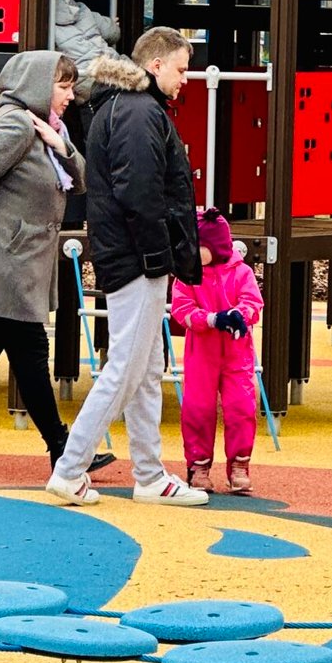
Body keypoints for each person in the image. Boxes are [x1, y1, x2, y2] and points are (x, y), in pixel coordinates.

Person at [47, 26, 208, 507]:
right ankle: (70, 469)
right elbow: (140, 194)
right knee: (127, 368)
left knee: (145, 366)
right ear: (155, 65)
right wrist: (161, 256)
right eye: (181, 69)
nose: (185, 79)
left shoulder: (122, 106)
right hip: (137, 258)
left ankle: (149, 474)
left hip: (125, 253)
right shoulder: (140, 112)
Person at [0, 50, 108, 474]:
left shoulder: (45, 128)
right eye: (63, 86)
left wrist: (60, 144)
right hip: (5, 263)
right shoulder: (15, 124)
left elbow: (82, 180)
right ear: (38, 85)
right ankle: (62, 448)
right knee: (30, 351)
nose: (70, 96)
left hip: (12, 261)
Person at [170, 208, 263, 494]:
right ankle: (198, 465)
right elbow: (181, 310)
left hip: (237, 352)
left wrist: (240, 315)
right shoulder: (188, 276)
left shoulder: (241, 272)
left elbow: (253, 302)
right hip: (202, 352)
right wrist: (211, 319)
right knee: (198, 407)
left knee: (241, 406)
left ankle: (239, 464)